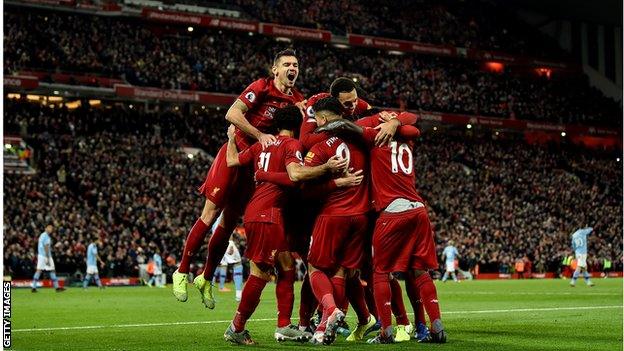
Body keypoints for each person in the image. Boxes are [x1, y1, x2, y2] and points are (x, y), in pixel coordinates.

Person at [172, 48, 306, 308]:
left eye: (296, 65)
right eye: (287, 64)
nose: (293, 69)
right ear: (275, 69)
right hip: (234, 153)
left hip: (253, 165)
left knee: (230, 223)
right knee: (210, 214)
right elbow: (232, 114)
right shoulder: (262, 87)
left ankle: (206, 278)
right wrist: (258, 135)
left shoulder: (298, 100)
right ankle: (182, 270)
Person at [316, 100, 446, 344]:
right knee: (420, 271)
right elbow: (413, 124)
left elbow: (347, 126)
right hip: (418, 210)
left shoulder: (375, 136)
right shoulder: (407, 138)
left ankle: (386, 331)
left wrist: (322, 125)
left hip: (392, 211)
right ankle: (436, 326)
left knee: (380, 272)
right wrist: (397, 121)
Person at [222, 105, 353, 345]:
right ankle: (236, 327)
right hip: (267, 214)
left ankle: (283, 325)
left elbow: (231, 160)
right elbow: (295, 175)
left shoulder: (262, 144)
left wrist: (232, 138)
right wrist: (327, 169)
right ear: (296, 125)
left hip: (262, 212)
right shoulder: (292, 145)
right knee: (260, 273)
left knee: (286, 266)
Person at [31, 224, 65, 292]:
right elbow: (46, 247)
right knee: (49, 270)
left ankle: (34, 287)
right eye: (49, 228)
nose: (50, 229)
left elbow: (46, 247)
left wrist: (55, 247)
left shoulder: (42, 235)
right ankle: (57, 287)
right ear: (45, 228)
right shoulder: (46, 236)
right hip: (46, 256)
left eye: (51, 228)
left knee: (41, 270)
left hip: (41, 255)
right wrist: (47, 258)